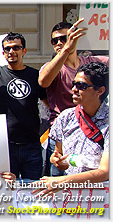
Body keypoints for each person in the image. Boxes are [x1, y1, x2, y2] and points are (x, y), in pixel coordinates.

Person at [38, 19, 109, 176]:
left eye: (64, 38)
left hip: (95, 130)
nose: (59, 43)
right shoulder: (53, 67)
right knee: (59, 186)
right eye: (54, 40)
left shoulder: (93, 63)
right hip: (63, 134)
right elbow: (43, 81)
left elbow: (104, 173)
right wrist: (66, 49)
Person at [0, 32, 47, 180]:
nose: (11, 52)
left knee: (33, 193)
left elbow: (50, 104)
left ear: (24, 50)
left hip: (32, 145)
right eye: (7, 49)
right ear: (3, 53)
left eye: (16, 48)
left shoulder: (36, 75)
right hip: (6, 146)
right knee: (7, 192)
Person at [32, 62, 108, 196]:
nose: (74, 89)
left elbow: (105, 171)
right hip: (69, 197)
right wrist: (57, 161)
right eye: (74, 84)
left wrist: (62, 181)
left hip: (101, 198)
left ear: (100, 90)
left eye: (81, 86)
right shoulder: (65, 117)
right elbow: (58, 155)